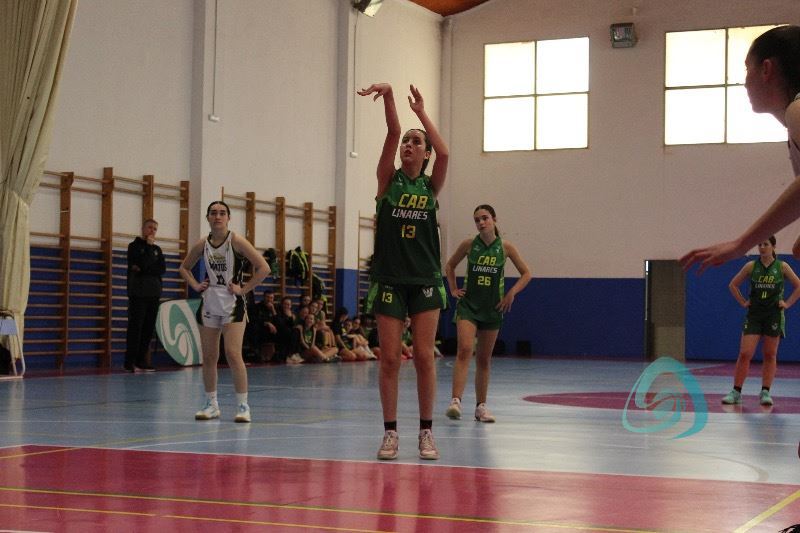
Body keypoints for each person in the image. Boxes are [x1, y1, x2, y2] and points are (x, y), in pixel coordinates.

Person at [358, 82, 449, 460]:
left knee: (425, 357)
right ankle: (390, 433)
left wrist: (421, 113)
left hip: (424, 279)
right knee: (391, 359)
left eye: (417, 142)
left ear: (425, 154)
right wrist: (390, 96)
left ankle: (426, 432)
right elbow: (392, 131)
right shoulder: (388, 180)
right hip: (390, 279)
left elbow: (446, 152)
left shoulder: (431, 186)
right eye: (406, 142)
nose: (408, 145)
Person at [681, 26, 800, 271]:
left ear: (766, 69)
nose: (744, 82)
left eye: (747, 69)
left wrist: (741, 244)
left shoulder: (797, 110)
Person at [178, 201, 269, 423]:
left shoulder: (236, 241)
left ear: (228, 218)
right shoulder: (202, 244)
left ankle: (243, 406)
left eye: (222, 213)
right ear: (208, 218)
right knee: (209, 356)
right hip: (210, 302)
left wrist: (243, 289)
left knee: (232, 353)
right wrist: (195, 285)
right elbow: (184, 267)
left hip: (232, 303)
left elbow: (263, 268)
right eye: (213, 213)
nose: (217, 216)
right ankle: (211, 404)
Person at [443, 205, 532, 422]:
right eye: (477, 220)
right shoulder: (469, 244)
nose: (481, 222)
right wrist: (453, 289)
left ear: (494, 219)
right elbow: (450, 265)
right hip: (469, 307)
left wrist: (511, 293)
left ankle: (481, 407)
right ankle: (455, 401)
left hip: (492, 308)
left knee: (484, 359)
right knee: (465, 350)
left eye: (485, 218)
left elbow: (526, 273)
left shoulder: (505, 247)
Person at [722, 236, 800, 406]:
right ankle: (736, 391)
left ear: (773, 247)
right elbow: (733, 285)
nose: (762, 247)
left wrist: (787, 303)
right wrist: (743, 302)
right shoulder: (751, 266)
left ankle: (765, 392)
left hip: (773, 315)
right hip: (754, 315)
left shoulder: (782, 266)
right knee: (745, 353)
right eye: (760, 244)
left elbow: (798, 285)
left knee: (770, 354)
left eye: (766, 244)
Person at [124, 218, 165, 373]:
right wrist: (147, 249)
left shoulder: (157, 249)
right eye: (149, 227)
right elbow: (140, 264)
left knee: (148, 328)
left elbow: (161, 269)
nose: (152, 231)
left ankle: (142, 361)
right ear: (143, 229)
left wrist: (145, 268)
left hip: (153, 293)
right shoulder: (134, 246)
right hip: (138, 293)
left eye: (155, 228)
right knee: (136, 328)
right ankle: (129, 362)